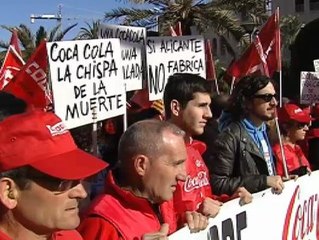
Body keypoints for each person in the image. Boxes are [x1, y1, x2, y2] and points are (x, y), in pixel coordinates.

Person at [78, 119, 208, 239]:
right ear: (141, 165)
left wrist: (189, 221)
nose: (183, 176)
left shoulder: (160, 198)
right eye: (175, 164)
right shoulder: (102, 223)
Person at [162, 73, 252, 231]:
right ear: (176, 108)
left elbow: (203, 199)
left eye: (209, 106)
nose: (209, 114)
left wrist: (229, 200)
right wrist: (191, 218)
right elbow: (159, 222)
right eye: (201, 105)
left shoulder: (196, 149)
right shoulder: (158, 153)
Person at [0, 110, 108, 240]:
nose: (81, 193)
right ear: (9, 192)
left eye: (81, 178)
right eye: (62, 182)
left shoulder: (70, 237)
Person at [210, 75, 284, 195]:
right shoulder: (230, 136)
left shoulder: (266, 130)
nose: (274, 102)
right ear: (248, 102)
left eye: (274, 96)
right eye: (267, 97)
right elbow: (218, 183)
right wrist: (262, 181)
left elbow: (267, 173)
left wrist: (279, 180)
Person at [273, 103, 312, 176]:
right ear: (286, 127)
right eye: (301, 125)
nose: (306, 128)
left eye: (307, 124)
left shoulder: (297, 147)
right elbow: (277, 180)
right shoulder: (277, 151)